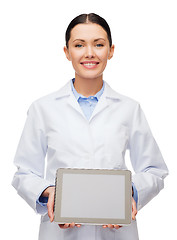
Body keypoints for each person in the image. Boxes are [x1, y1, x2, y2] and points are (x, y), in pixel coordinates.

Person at [12, 13, 168, 240]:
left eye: (99, 44)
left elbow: (155, 170)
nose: (89, 53)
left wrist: (127, 193)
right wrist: (51, 192)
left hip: (116, 232)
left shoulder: (129, 109)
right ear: (67, 52)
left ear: (111, 51)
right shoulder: (42, 109)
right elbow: (24, 173)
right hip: (61, 231)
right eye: (79, 45)